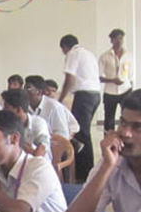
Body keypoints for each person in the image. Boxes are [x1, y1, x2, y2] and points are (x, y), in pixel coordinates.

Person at [58, 34, 102, 181]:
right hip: (95, 95)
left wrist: (61, 98)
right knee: (83, 132)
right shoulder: (88, 53)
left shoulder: (73, 53)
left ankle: (84, 172)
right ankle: (86, 169)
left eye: (63, 50)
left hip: (84, 95)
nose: (64, 53)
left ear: (65, 46)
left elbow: (69, 78)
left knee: (80, 133)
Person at [1, 89, 52, 162]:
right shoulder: (8, 124)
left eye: (6, 108)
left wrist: (30, 152)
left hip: (39, 166)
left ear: (18, 110)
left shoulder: (38, 123)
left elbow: (39, 155)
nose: (3, 111)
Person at [98, 29, 133, 132]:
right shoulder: (104, 56)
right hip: (110, 92)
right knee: (109, 119)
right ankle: (109, 140)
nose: (119, 41)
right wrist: (112, 80)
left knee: (127, 117)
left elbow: (131, 75)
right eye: (116, 38)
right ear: (111, 40)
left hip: (126, 90)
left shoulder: (129, 56)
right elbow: (99, 76)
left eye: (121, 38)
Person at [25, 75, 79, 140]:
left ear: (38, 92)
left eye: (28, 89)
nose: (24, 92)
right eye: (24, 89)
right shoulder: (23, 107)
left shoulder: (55, 107)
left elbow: (62, 136)